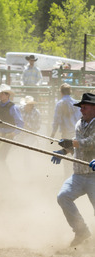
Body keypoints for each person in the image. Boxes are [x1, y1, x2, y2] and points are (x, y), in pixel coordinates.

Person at [51, 93, 95, 247]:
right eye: (81, 107)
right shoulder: (79, 123)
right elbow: (79, 146)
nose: (81, 110)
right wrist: (65, 151)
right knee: (63, 196)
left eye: (85, 107)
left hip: (94, 176)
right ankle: (81, 230)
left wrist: (72, 143)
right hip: (78, 174)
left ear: (94, 108)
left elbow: (91, 143)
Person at [0, 84, 24, 161]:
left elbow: (20, 123)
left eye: (2, 93)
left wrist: (14, 133)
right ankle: (3, 172)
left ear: (7, 95)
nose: (0, 95)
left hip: (8, 136)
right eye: (0, 93)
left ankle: (3, 172)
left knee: (1, 157)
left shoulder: (13, 107)